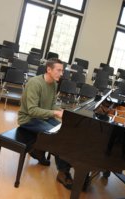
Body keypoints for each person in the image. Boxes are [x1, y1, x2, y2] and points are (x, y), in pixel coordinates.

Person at [17, 58, 73, 189]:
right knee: (58, 137)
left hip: (43, 117)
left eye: (62, 70)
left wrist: (61, 110)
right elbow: (32, 111)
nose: (61, 73)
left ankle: (38, 150)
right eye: (59, 70)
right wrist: (55, 113)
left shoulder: (53, 83)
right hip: (28, 119)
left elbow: (52, 104)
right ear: (49, 69)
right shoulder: (35, 83)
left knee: (65, 132)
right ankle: (63, 173)